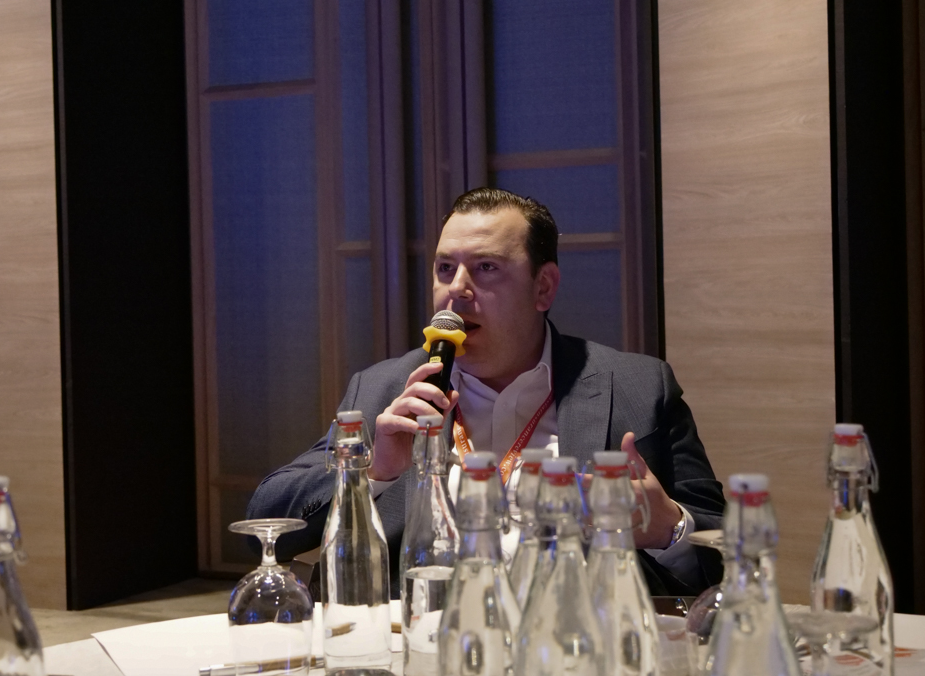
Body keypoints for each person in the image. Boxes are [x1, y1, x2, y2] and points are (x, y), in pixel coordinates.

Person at [248, 188, 725, 595]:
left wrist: (668, 528)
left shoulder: (637, 388)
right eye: (445, 268)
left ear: (543, 287)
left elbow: (723, 546)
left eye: (486, 268)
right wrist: (371, 473)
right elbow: (265, 526)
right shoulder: (382, 391)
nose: (457, 289)